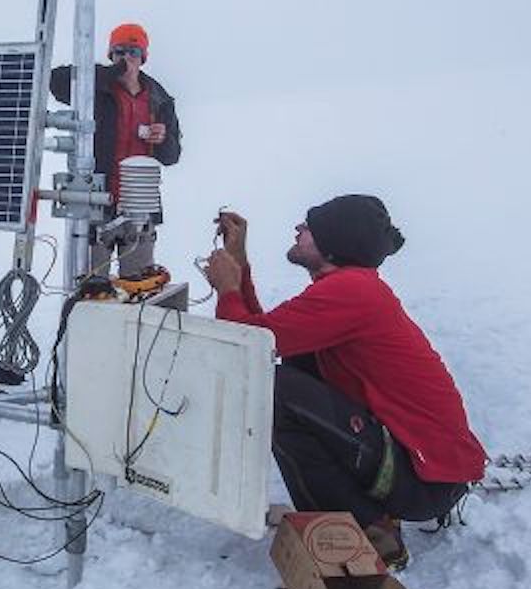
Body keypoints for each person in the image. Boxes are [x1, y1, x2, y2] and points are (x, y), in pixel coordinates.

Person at [205, 195, 486, 569]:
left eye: (309, 226)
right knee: (292, 361)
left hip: (424, 482)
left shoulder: (352, 291)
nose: (299, 229)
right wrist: (237, 261)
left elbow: (245, 349)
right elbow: (264, 339)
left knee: (267, 390)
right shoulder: (350, 288)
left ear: (334, 245)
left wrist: (228, 289)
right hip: (421, 468)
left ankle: (369, 535)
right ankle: (362, 516)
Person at [49, 22, 183, 279]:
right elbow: (56, 82)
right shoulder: (94, 88)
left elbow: (172, 157)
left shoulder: (160, 98)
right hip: (97, 203)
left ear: (143, 57)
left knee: (136, 291)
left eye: (133, 52)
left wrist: (163, 137)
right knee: (89, 287)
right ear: (111, 55)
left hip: (140, 206)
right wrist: (108, 73)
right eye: (119, 51)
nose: (126, 58)